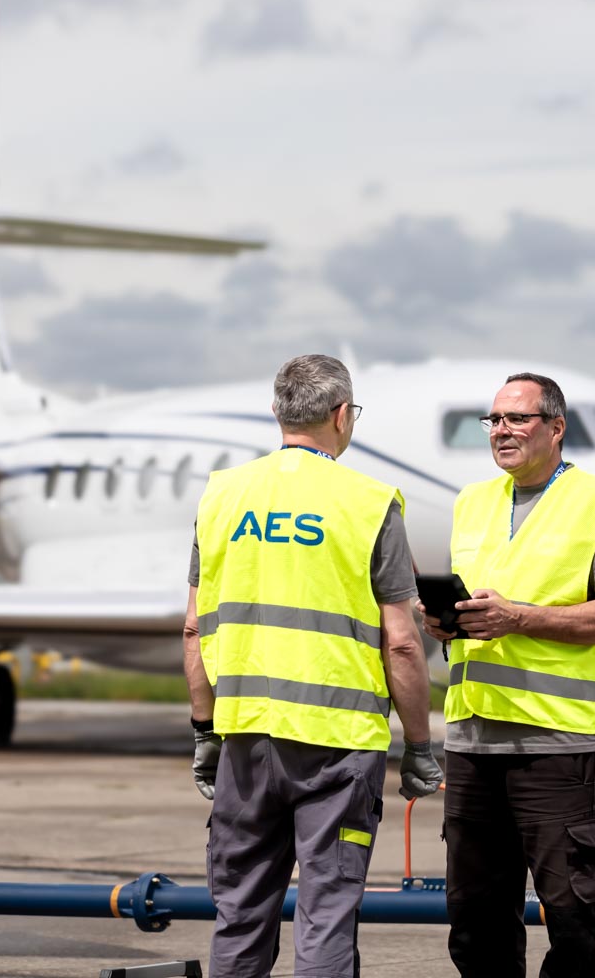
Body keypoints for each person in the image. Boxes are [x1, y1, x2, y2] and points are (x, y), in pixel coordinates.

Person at [183, 353, 443, 978]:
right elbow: (403, 643)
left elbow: (194, 628)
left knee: (240, 913)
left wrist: (204, 732)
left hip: (246, 740)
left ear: (277, 412)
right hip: (337, 748)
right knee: (326, 915)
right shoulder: (371, 502)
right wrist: (418, 745)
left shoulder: (222, 495)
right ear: (342, 416)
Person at [420, 371, 595, 978]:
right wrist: (450, 623)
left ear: (555, 427)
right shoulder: (471, 502)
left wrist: (516, 617)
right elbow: (480, 609)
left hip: (557, 746)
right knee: (475, 922)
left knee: (572, 917)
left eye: (516, 418)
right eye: (494, 420)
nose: (501, 431)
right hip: (471, 742)